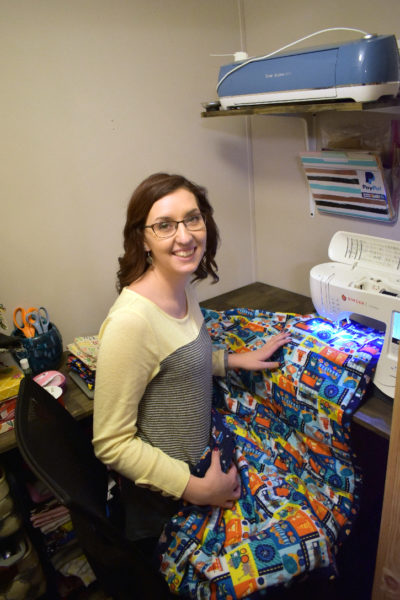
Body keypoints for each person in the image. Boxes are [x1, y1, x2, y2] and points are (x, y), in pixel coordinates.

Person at [92, 172, 290, 542]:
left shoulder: (182, 284)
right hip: (167, 500)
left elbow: (175, 358)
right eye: (164, 225)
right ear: (143, 239)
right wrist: (196, 489)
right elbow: (110, 443)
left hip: (201, 458)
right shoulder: (131, 323)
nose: (184, 237)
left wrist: (229, 360)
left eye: (193, 219)